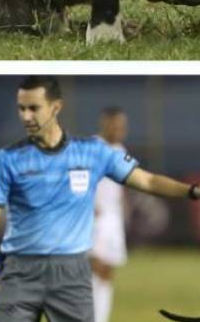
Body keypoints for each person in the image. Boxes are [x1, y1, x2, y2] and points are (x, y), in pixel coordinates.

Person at [0, 76, 200, 321]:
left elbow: (148, 181)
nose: (25, 116)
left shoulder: (92, 152)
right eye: (21, 109)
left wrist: (193, 191)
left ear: (56, 107)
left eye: (33, 108)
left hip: (71, 274)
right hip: (19, 272)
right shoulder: (8, 158)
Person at [90, 107, 129, 322]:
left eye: (122, 125)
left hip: (113, 217)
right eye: (114, 124)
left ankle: (101, 317)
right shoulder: (94, 147)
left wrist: (123, 206)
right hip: (96, 217)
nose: (119, 129)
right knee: (96, 268)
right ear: (104, 123)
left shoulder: (121, 150)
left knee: (107, 272)